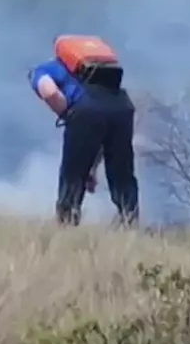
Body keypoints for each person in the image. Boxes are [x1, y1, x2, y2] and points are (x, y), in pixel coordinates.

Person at [29, 35, 139, 226]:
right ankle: (130, 221)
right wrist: (93, 169)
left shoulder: (43, 70)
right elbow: (103, 136)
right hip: (122, 106)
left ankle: (66, 224)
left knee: (72, 173)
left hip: (85, 109)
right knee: (122, 172)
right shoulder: (95, 70)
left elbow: (50, 92)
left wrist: (67, 114)